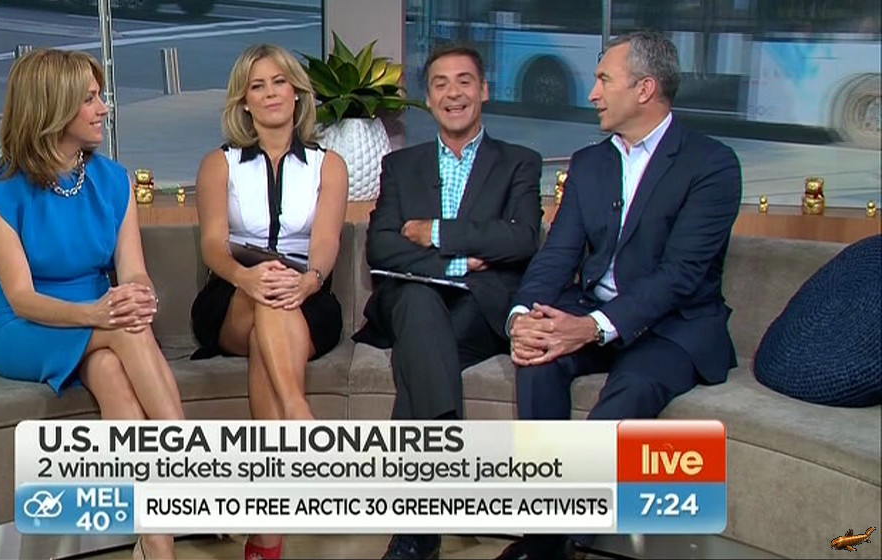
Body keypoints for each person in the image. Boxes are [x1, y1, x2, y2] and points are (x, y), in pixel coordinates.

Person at [502, 31, 742, 560]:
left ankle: (558, 542)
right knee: (537, 361)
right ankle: (544, 537)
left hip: (674, 325)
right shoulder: (590, 163)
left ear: (645, 89)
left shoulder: (712, 164)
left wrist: (591, 328)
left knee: (631, 388)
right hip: (596, 309)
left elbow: (681, 275)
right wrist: (523, 316)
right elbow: (557, 254)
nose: (592, 93)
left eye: (604, 80)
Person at [0, 49, 184, 560]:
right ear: (53, 107)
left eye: (100, 96)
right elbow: (22, 297)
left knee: (112, 371)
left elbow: (132, 269)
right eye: (90, 99)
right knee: (123, 330)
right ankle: (187, 458)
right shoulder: (0, 189)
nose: (103, 108)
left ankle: (156, 544)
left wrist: (139, 294)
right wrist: (100, 314)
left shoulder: (113, 179)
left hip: (99, 316)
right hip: (24, 325)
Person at [351, 44, 543, 560]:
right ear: (429, 97)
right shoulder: (401, 165)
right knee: (417, 303)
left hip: (479, 310)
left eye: (464, 81)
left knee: (420, 352)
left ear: (484, 91)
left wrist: (436, 232)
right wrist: (462, 259)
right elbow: (381, 247)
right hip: (410, 299)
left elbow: (522, 238)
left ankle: (417, 530)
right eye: (440, 83)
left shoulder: (519, 163)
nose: (452, 93)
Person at [189, 44, 348, 560]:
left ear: (297, 93)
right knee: (266, 297)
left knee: (271, 322)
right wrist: (247, 278)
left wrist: (309, 281)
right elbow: (213, 246)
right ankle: (299, 414)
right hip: (232, 293)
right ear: (244, 101)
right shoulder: (219, 164)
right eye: (257, 86)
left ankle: (267, 527)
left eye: (279, 82)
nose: (270, 93)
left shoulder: (329, 165)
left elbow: (326, 243)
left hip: (308, 295)